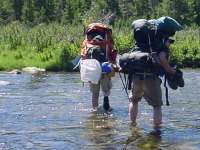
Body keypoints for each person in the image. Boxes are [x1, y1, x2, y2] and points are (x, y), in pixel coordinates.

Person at [128, 38, 176, 129]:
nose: (170, 44)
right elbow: (162, 58)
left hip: (136, 76)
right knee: (157, 106)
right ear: (164, 40)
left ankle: (132, 125)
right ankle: (157, 131)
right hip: (151, 78)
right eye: (170, 41)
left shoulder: (139, 44)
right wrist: (170, 70)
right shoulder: (161, 47)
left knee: (134, 101)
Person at [80, 23, 117, 111]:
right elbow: (113, 57)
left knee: (95, 93)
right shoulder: (107, 43)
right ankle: (106, 106)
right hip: (104, 70)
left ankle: (95, 110)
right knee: (106, 91)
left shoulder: (87, 44)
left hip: (92, 71)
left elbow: (83, 57)